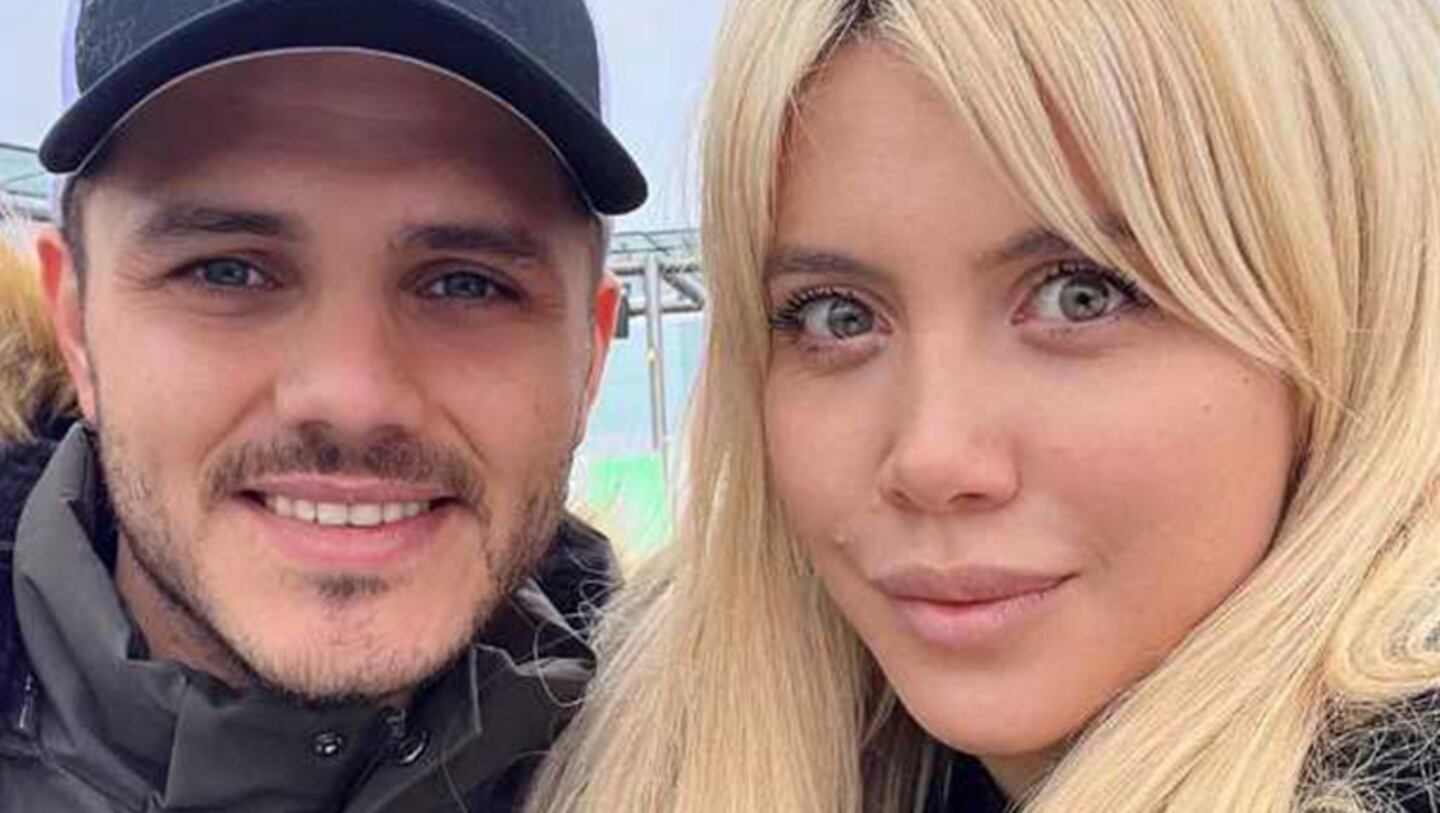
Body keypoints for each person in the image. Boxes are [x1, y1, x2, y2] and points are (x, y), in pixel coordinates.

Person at [526, 0, 1440, 811]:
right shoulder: (628, 731)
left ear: (1344, 307)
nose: (932, 459)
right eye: (838, 316)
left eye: (1082, 294)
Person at [0, 0, 647, 810]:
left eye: (466, 284)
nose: (353, 396)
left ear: (589, 358)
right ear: (77, 326)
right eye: (227, 271)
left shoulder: (715, 774)